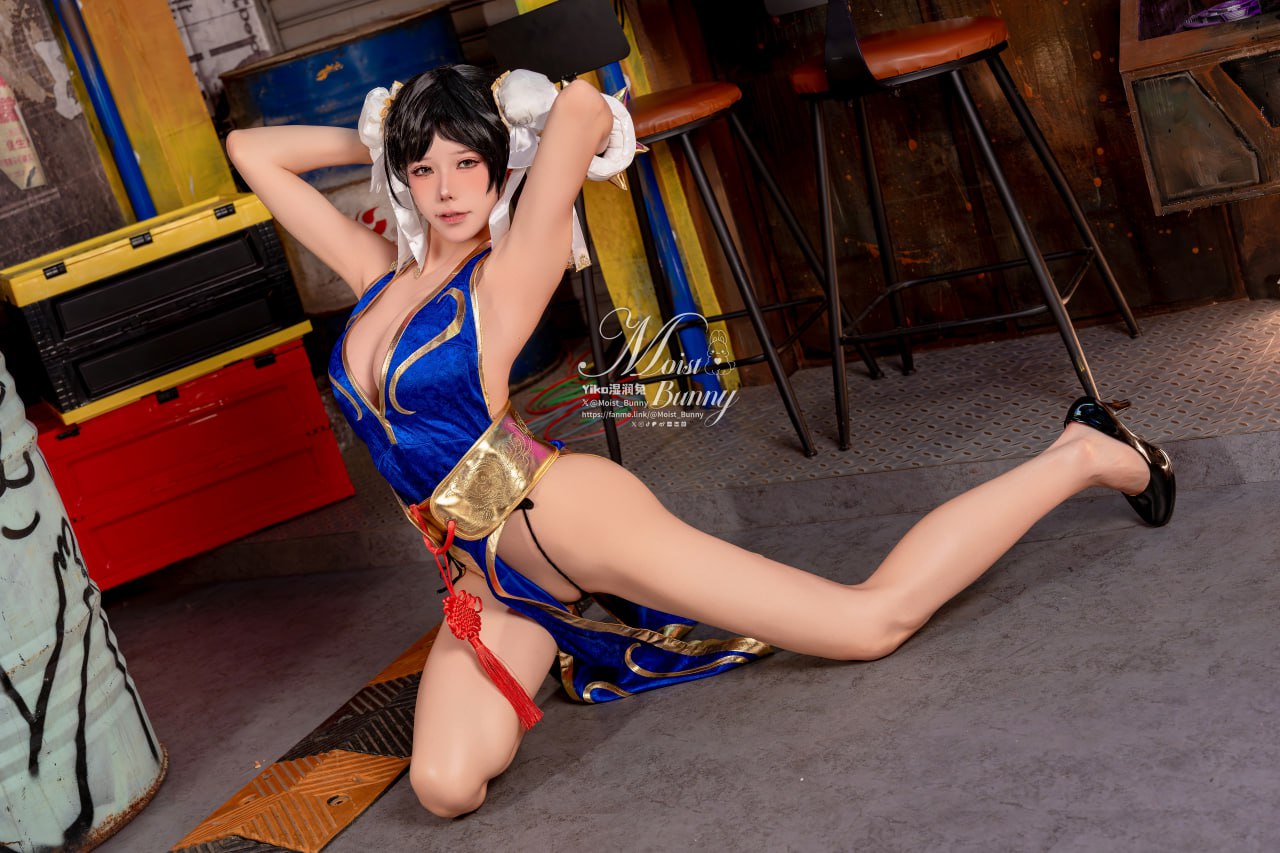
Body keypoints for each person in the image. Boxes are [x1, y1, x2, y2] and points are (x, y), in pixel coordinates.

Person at [225, 63, 1174, 819]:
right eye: (426, 169)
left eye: (467, 163)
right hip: (483, 580)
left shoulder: (507, 272)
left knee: (865, 624)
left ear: (497, 165)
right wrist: (382, 128)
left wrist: (507, 115)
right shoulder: (376, 277)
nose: (446, 189)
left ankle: (1083, 450)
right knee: (445, 786)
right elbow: (251, 150)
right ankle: (556, 634)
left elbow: (584, 106)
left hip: (565, 520)